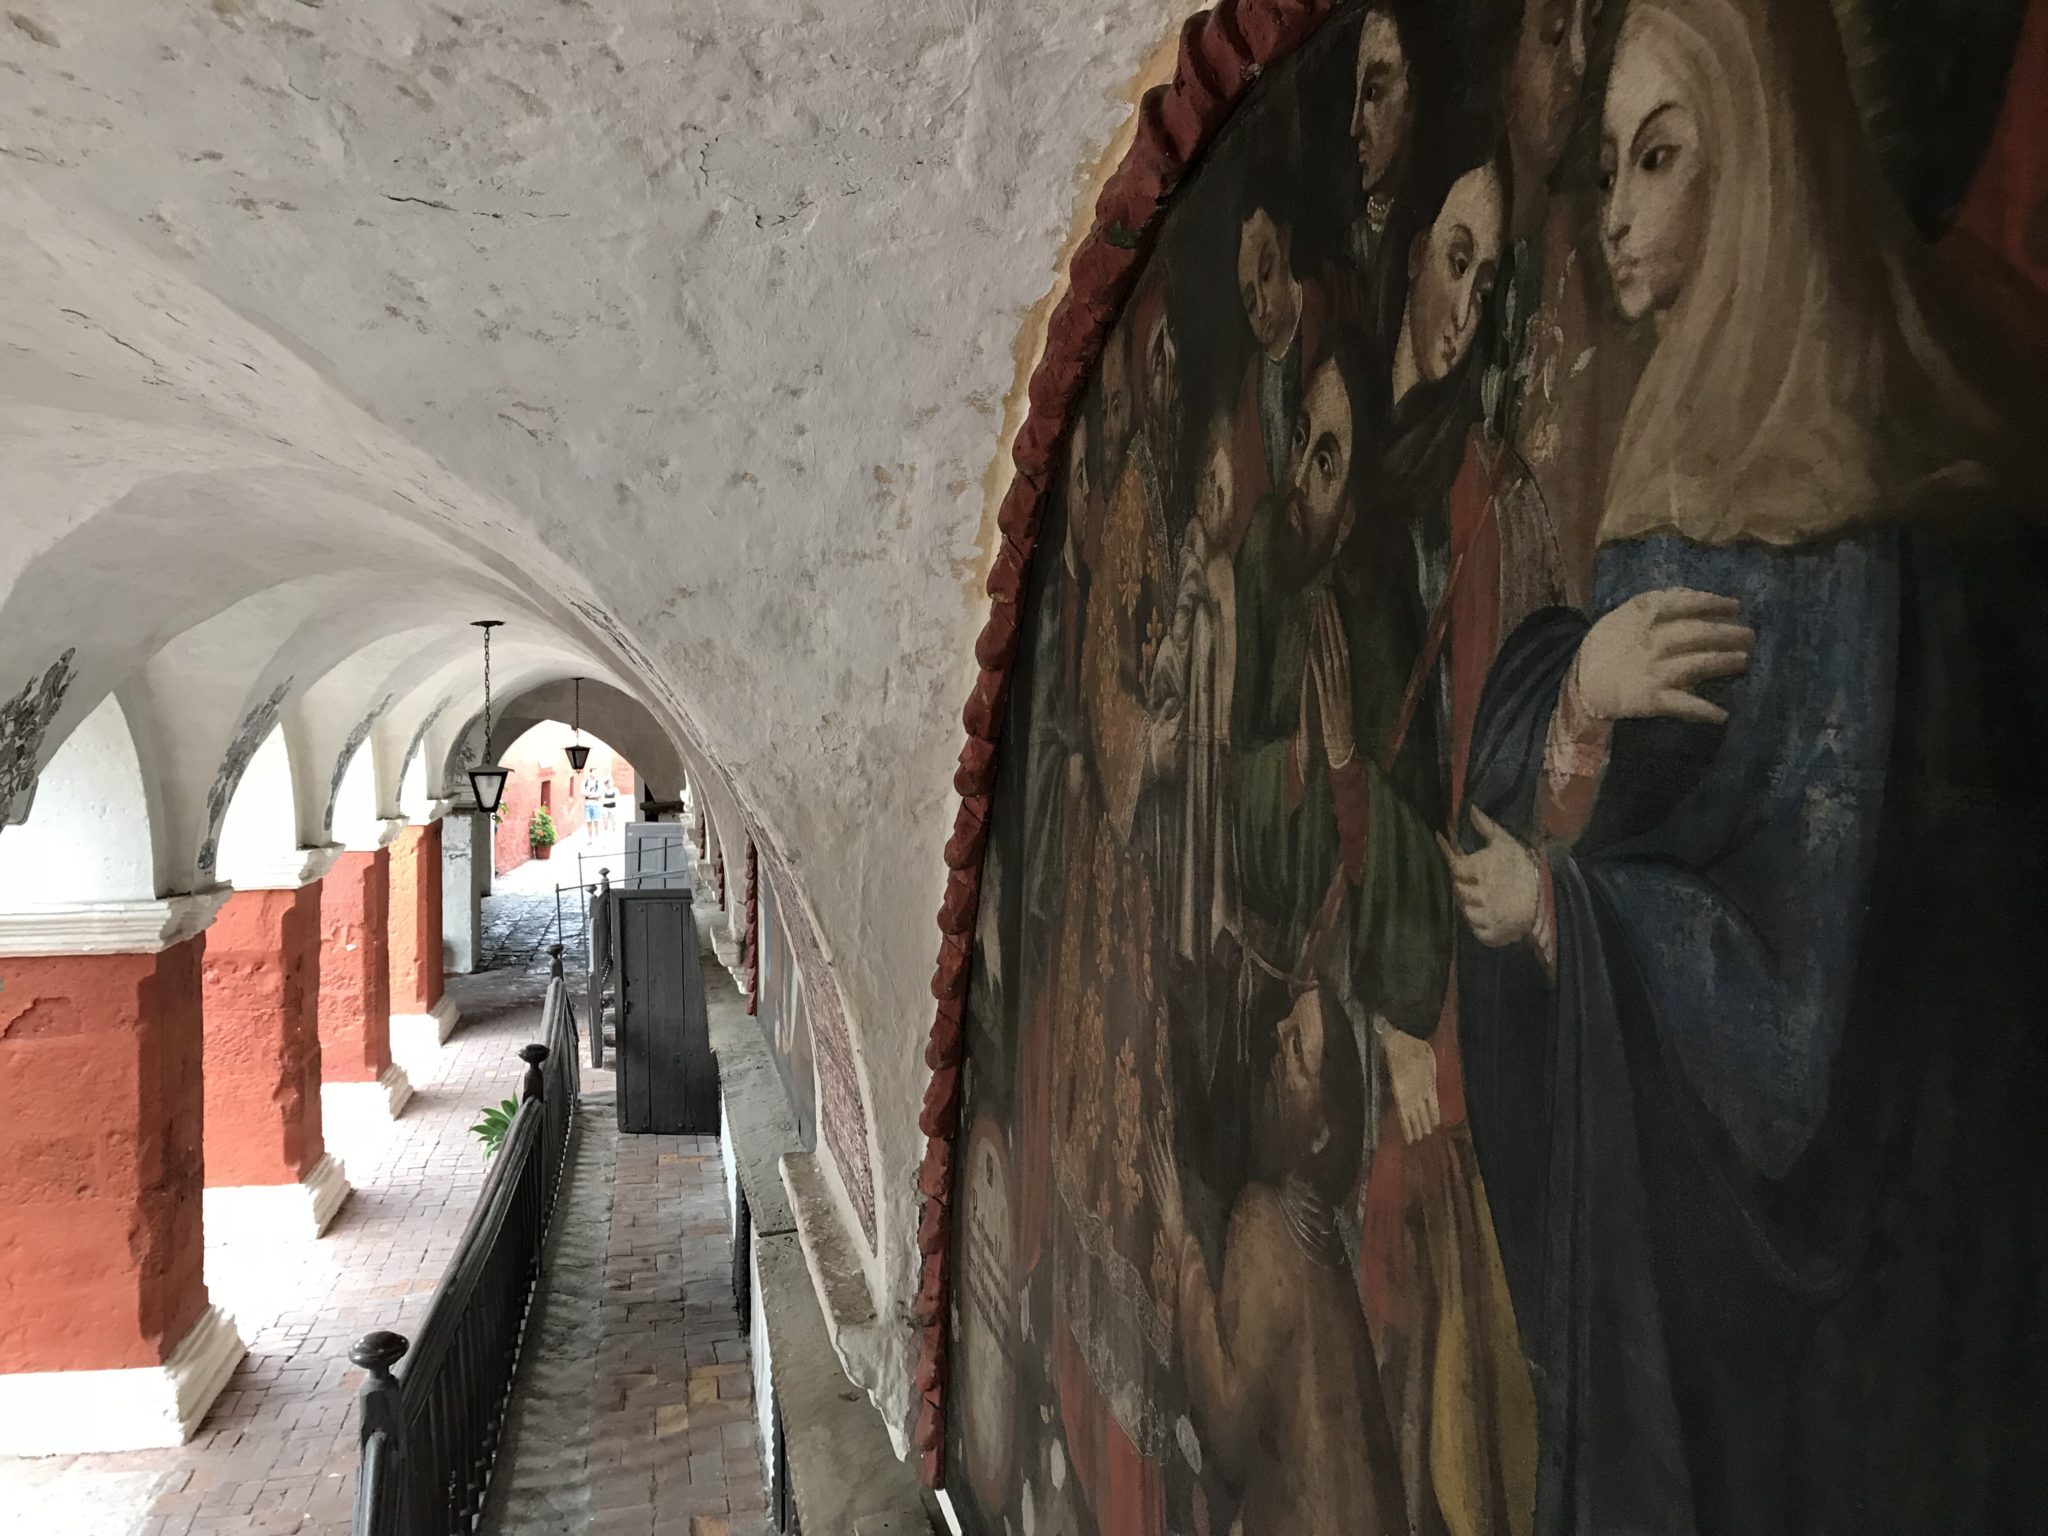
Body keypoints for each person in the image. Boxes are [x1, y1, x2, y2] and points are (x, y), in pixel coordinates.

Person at [1449, 1, 2048, 1530]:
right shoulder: (1670, 467)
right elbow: (1649, 817)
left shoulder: (1866, 525)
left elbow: (1807, 1020)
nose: (1620, 219)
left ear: (1770, 165)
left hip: (1864, 1318)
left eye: (1664, 161)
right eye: (1607, 174)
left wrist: (1563, 921)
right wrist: (1575, 692)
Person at [1147, 985, 1405, 1536]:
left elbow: (1227, 1425)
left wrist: (1180, 1242)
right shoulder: (1329, 1254)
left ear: (1320, 1134)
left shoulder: (1266, 1221)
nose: (1275, 1036)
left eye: (1295, 1050)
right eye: (1287, 1028)